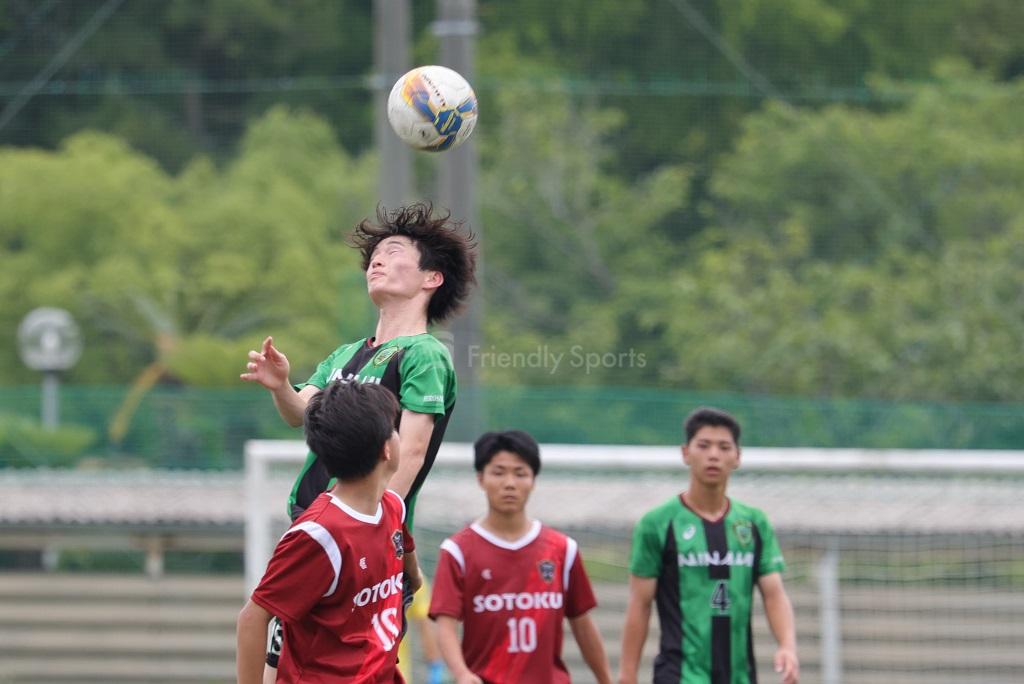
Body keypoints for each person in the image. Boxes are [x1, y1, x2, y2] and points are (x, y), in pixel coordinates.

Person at [240, 203, 476, 674]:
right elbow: (300, 415)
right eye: (373, 257)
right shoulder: (346, 354)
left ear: (432, 278)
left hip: (364, 544)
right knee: (285, 666)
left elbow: (411, 450)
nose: (377, 261)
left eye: (394, 251)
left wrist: (371, 527)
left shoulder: (425, 354)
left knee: (357, 667)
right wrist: (281, 387)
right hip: (316, 531)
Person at [236, 380, 423, 683]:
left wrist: (413, 576)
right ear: (386, 449)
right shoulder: (318, 535)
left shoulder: (392, 506)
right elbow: (252, 618)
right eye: (394, 427)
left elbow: (407, 559)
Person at [618, 407, 799, 684]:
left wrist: (787, 646)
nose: (713, 455)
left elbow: (774, 593)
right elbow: (639, 604)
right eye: (703, 445)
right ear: (685, 453)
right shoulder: (657, 524)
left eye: (724, 447)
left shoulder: (754, 523)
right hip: (679, 674)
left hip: (739, 675)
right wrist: (627, 674)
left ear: (737, 457)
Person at [429, 430, 614, 684]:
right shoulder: (457, 551)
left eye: (520, 473)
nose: (509, 483)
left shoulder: (562, 549)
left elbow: (582, 624)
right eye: (498, 472)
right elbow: (445, 624)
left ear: (533, 480)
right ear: (480, 479)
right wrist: (461, 674)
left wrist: (606, 680)